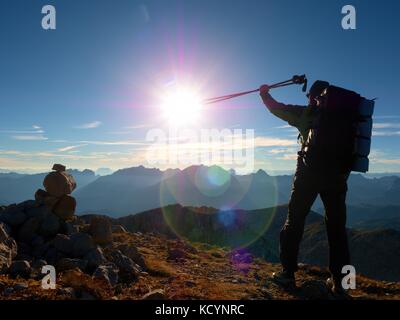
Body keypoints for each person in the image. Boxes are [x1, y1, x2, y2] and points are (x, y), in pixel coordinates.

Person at [259, 81, 351, 294]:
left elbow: (276, 108)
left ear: (313, 96)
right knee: (337, 229)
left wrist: (264, 93)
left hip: (308, 174)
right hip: (338, 177)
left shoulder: (307, 114)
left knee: (294, 222)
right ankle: (341, 283)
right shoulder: (347, 118)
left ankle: (287, 275)